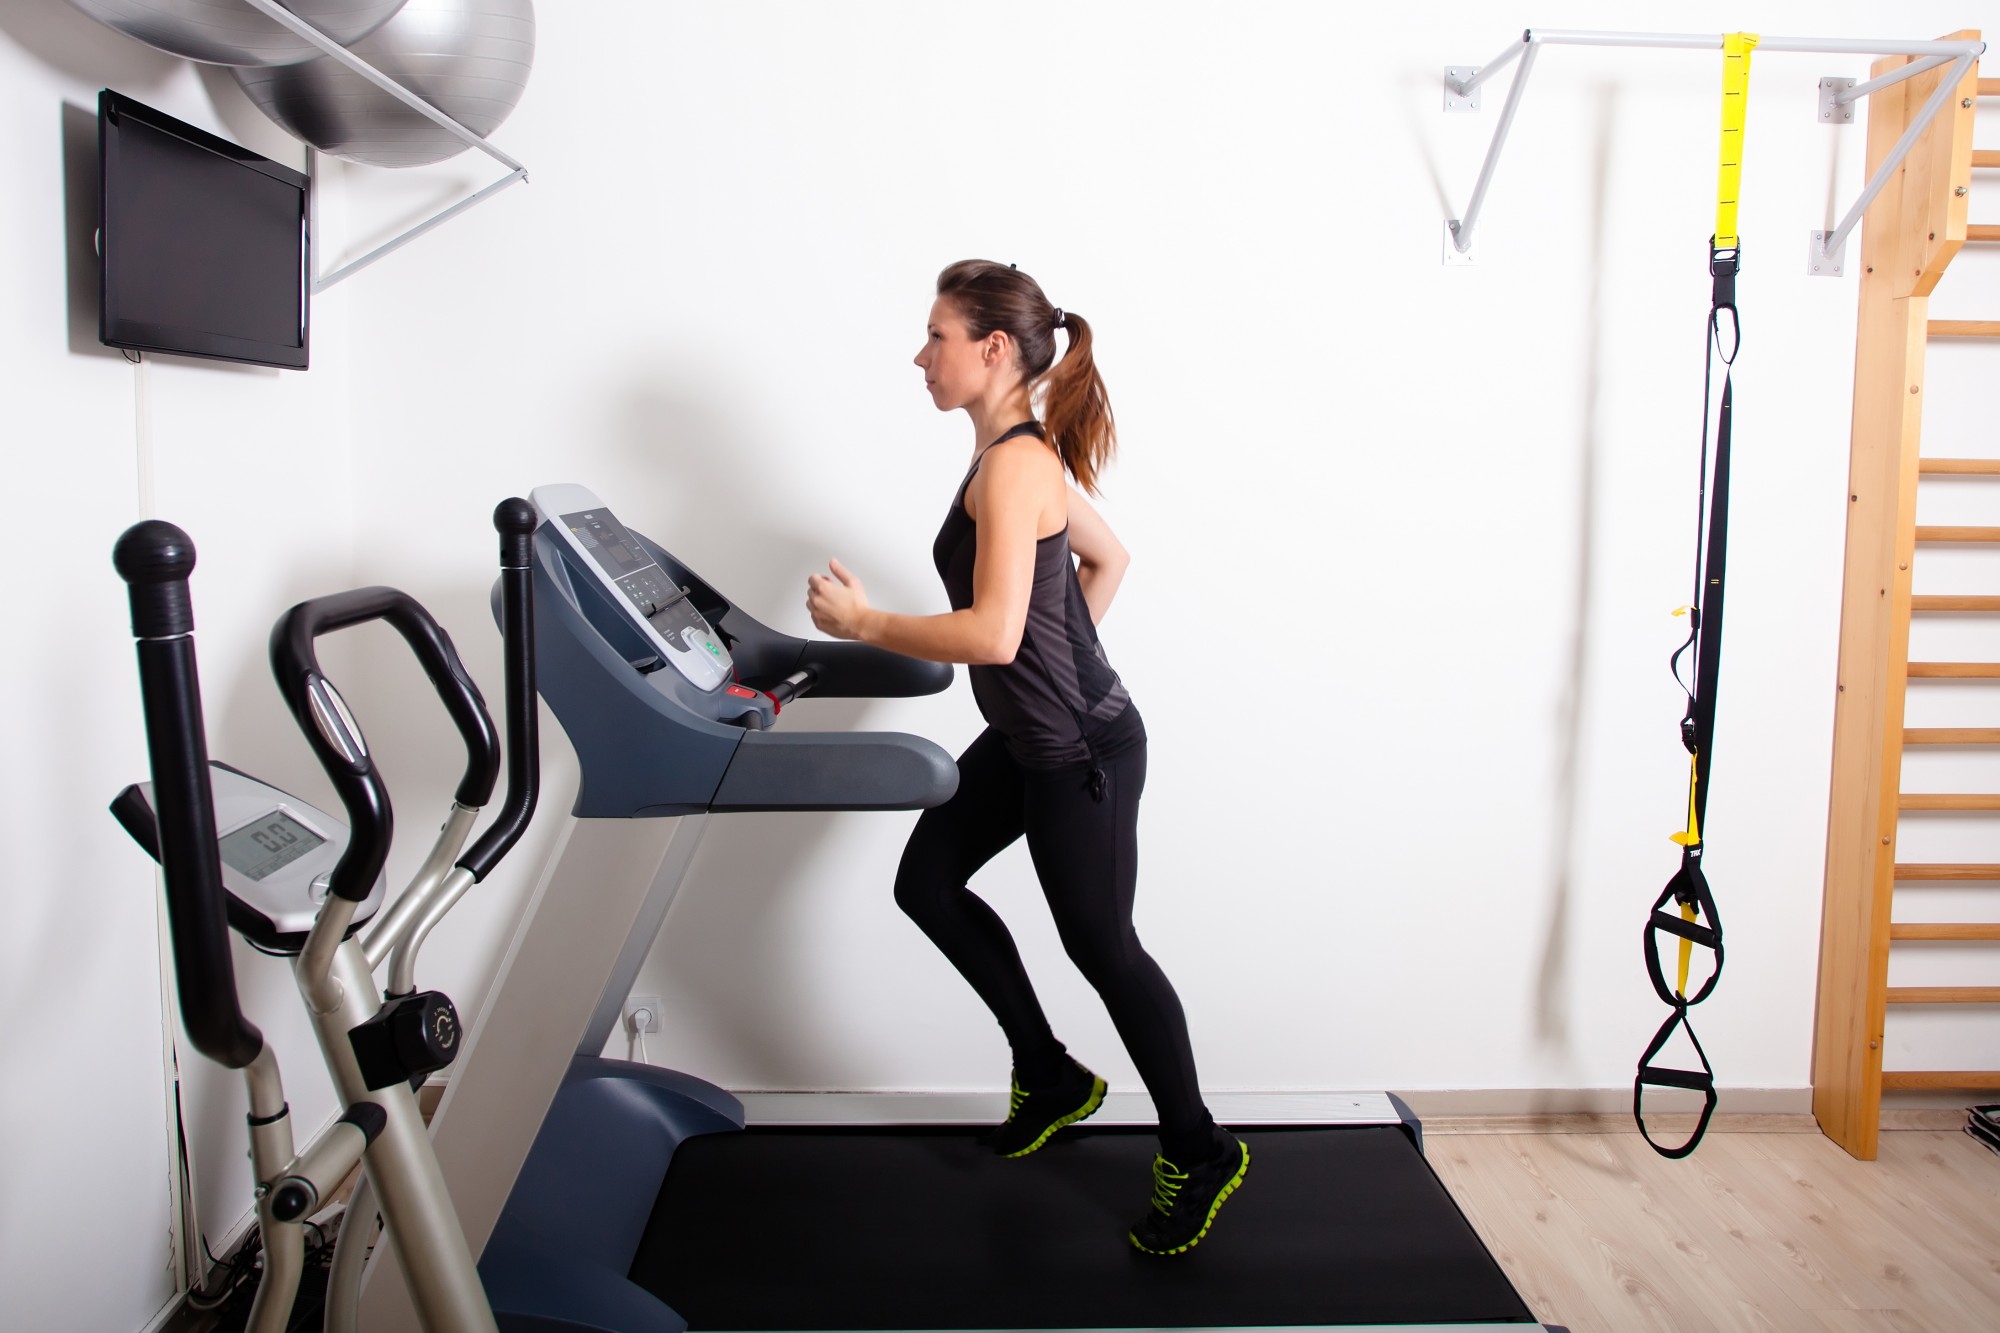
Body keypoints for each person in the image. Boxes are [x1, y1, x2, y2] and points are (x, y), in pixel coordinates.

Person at [805, 259, 1247, 1255]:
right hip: (1031, 738)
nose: (921, 356)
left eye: (936, 336)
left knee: (1103, 947)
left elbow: (994, 634)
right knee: (927, 882)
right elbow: (1106, 560)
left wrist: (865, 621)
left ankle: (1200, 1146)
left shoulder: (1014, 465)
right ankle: (1049, 1074)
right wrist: (1056, 665)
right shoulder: (1010, 455)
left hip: (1082, 752)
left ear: (993, 347)